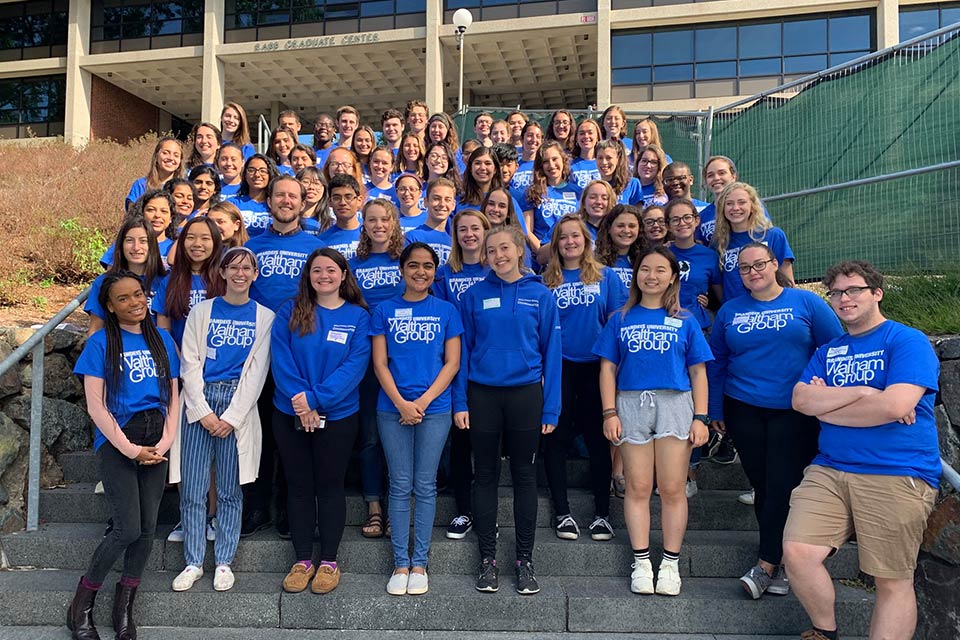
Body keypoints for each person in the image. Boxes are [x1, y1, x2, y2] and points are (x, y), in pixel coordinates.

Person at [787, 260, 941, 640]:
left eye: (853, 289)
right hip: (829, 469)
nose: (843, 298)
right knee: (798, 552)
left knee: (891, 579)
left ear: (876, 292)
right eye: (836, 292)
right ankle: (826, 632)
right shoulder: (829, 350)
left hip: (896, 470)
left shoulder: (906, 341)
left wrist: (831, 405)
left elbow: (895, 407)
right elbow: (801, 399)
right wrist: (862, 393)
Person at [707, 243, 843, 600]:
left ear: (774, 265)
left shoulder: (806, 303)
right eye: (745, 268)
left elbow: (835, 349)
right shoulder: (730, 311)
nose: (753, 272)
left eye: (760, 264)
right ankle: (781, 561)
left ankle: (767, 563)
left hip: (794, 410)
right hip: (743, 407)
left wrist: (829, 395)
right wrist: (715, 410)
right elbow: (718, 361)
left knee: (783, 485)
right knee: (763, 485)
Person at [594, 246, 712, 597]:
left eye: (661, 270)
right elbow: (607, 369)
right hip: (631, 403)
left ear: (673, 277)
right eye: (645, 269)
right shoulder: (621, 318)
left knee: (673, 487)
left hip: (675, 402)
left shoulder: (686, 320)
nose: (652, 276)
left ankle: (671, 563)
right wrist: (609, 412)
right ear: (636, 275)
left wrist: (701, 417)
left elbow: (698, 371)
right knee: (638, 486)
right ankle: (642, 561)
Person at [68, 271, 179, 640]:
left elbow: (174, 397)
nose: (135, 303)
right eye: (124, 299)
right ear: (111, 308)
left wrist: (164, 444)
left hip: (157, 437)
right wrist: (132, 449)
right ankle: (82, 604)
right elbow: (96, 407)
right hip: (120, 440)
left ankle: (124, 609)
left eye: (139, 295)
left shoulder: (163, 339)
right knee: (127, 527)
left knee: (147, 531)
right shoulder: (99, 344)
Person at [454, 225, 561, 595]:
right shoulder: (473, 296)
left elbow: (553, 356)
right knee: (483, 476)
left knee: (524, 478)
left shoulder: (540, 295)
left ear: (520, 251)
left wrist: (551, 409)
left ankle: (524, 560)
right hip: (482, 395)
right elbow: (462, 353)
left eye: (504, 248)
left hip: (526, 397)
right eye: (491, 250)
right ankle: (487, 560)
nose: (498, 255)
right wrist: (459, 401)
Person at [170, 247, 274, 593]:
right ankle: (193, 561)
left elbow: (257, 372)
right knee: (194, 487)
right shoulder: (202, 311)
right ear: (223, 273)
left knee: (230, 490)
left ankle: (224, 561)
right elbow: (190, 363)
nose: (241, 273)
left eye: (247, 267)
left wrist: (230, 417)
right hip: (200, 403)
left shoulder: (265, 317)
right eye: (234, 267)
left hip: (237, 407)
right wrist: (202, 411)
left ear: (255, 274)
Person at [270, 247, 371, 595]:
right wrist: (301, 401)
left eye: (331, 270)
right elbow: (281, 359)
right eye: (317, 271)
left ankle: (328, 560)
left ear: (344, 275)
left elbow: (354, 367)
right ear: (308, 276)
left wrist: (314, 399)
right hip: (289, 413)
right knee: (298, 486)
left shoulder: (358, 317)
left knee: (329, 487)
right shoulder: (290, 310)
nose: (324, 276)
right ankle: (301, 560)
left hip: (339, 415)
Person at [372, 242, 463, 595]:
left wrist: (421, 402)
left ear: (434, 271)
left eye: (427, 266)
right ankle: (399, 563)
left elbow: (452, 363)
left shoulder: (446, 310)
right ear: (402, 270)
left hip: (434, 409)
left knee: (424, 485)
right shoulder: (384, 310)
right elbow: (380, 363)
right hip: (391, 407)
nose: (420, 272)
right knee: (399, 483)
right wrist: (401, 403)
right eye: (413, 266)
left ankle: (420, 563)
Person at [242, 176, 324, 537]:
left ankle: (291, 507)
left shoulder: (315, 246)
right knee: (261, 433)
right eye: (280, 195)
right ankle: (257, 506)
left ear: (303, 202)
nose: (286, 201)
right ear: (269, 201)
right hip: (257, 352)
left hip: (300, 350)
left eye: (293, 195)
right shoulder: (251, 246)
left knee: (296, 432)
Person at [541, 214, 624, 542]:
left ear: (586, 240)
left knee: (597, 439)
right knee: (556, 437)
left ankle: (602, 513)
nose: (570, 242)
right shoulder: (545, 280)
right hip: (558, 367)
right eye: (563, 237)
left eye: (576, 236)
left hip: (596, 367)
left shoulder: (607, 277)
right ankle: (562, 512)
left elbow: (616, 325)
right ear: (556, 244)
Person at [349, 198, 406, 538]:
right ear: (364, 224)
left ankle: (399, 503)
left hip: (405, 357)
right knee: (369, 435)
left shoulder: (407, 258)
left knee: (400, 432)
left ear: (394, 222)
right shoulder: (354, 263)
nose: (379, 225)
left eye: (385, 219)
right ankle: (373, 506)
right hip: (367, 359)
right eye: (372, 220)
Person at [433, 209, 490, 539]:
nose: (469, 234)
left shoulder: (495, 269)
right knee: (460, 440)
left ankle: (485, 509)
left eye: (475, 228)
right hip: (454, 361)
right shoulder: (444, 274)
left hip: (488, 365)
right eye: (462, 229)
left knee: (485, 442)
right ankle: (464, 510)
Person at [712, 181, 794, 302]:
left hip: (772, 307)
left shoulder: (773, 235)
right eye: (729, 203)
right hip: (737, 312)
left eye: (742, 202)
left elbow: (788, 280)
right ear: (722, 209)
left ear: (752, 206)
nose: (735, 208)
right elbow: (718, 284)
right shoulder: (718, 244)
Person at [86, 216, 166, 336]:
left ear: (152, 245)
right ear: (121, 245)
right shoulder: (104, 282)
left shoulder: (164, 281)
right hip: (117, 348)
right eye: (129, 240)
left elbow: (165, 329)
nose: (136, 247)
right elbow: (95, 329)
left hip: (154, 349)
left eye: (143, 241)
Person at [153, 216, 225, 347]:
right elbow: (164, 330)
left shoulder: (225, 280)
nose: (197, 244)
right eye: (191, 237)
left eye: (205, 238)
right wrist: (179, 358)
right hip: (180, 359)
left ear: (215, 243)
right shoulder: (170, 281)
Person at [521, 140, 582, 258]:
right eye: (545, 161)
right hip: (542, 255)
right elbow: (527, 230)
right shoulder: (531, 192)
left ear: (563, 160)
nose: (551, 165)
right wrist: (542, 252)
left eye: (555, 159)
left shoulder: (579, 192)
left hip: (571, 253)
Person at [103, 190, 178, 269]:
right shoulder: (126, 243)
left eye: (164, 211)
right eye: (151, 210)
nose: (157, 215)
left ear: (171, 218)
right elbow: (111, 275)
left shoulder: (175, 248)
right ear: (141, 214)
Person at [595, 204, 644, 296]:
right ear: (609, 228)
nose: (626, 230)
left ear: (639, 229)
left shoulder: (645, 259)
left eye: (632, 226)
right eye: (620, 226)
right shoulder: (594, 260)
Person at [405, 177, 456, 264]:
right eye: (436, 199)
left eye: (447, 200)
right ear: (426, 202)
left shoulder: (454, 243)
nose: (442, 204)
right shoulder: (412, 237)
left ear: (453, 205)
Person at [125, 136, 184, 211]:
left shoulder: (184, 189)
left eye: (176, 155)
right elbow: (132, 216)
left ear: (180, 161)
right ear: (156, 156)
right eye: (165, 153)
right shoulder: (141, 185)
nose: (171, 158)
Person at [228, 154, 278, 237]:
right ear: (245, 175)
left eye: (263, 170)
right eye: (251, 170)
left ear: (270, 174)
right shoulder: (232, 204)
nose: (257, 175)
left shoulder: (277, 205)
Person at [318, 174, 364, 261]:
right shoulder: (321, 241)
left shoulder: (371, 236)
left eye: (348, 197)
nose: (342, 202)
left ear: (359, 201)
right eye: (337, 198)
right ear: (330, 202)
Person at [595, 139, 642, 206]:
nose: (604, 162)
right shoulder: (594, 187)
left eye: (609, 158)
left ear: (618, 159)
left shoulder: (632, 184)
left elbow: (638, 213)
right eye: (600, 158)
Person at [297, 166, 331, 234]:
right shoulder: (287, 219)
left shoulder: (333, 221)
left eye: (316, 183)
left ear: (324, 189)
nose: (311, 187)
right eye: (306, 182)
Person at [570, 119, 602, 188]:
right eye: (582, 133)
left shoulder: (604, 163)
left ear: (597, 137)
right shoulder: (569, 165)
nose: (586, 136)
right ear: (576, 138)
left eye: (590, 133)